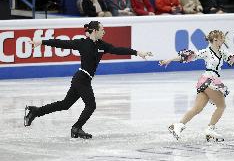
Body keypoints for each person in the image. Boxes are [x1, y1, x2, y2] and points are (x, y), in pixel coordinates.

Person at [24, 21, 153, 139]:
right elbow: (62, 43)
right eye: (102, 29)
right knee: (91, 105)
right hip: (81, 79)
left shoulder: (102, 45)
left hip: (83, 79)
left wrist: (137, 52)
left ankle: (36, 111)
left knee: (65, 104)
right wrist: (41, 42)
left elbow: (117, 50)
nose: (104, 32)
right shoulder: (82, 43)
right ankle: (76, 128)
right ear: (95, 31)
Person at [159, 30, 234, 141]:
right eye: (222, 38)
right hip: (209, 80)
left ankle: (177, 125)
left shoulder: (222, 52)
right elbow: (188, 56)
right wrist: (169, 60)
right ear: (215, 39)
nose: (223, 40)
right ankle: (210, 129)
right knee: (221, 106)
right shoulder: (206, 52)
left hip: (209, 81)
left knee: (197, 108)